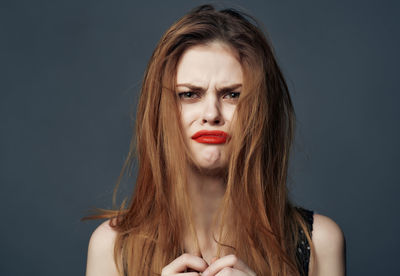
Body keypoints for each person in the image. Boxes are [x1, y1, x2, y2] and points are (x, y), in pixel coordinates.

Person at [85, 4, 345, 276]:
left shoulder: (319, 245)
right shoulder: (111, 247)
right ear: (160, 111)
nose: (211, 114)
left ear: (261, 112)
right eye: (189, 94)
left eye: (232, 95)